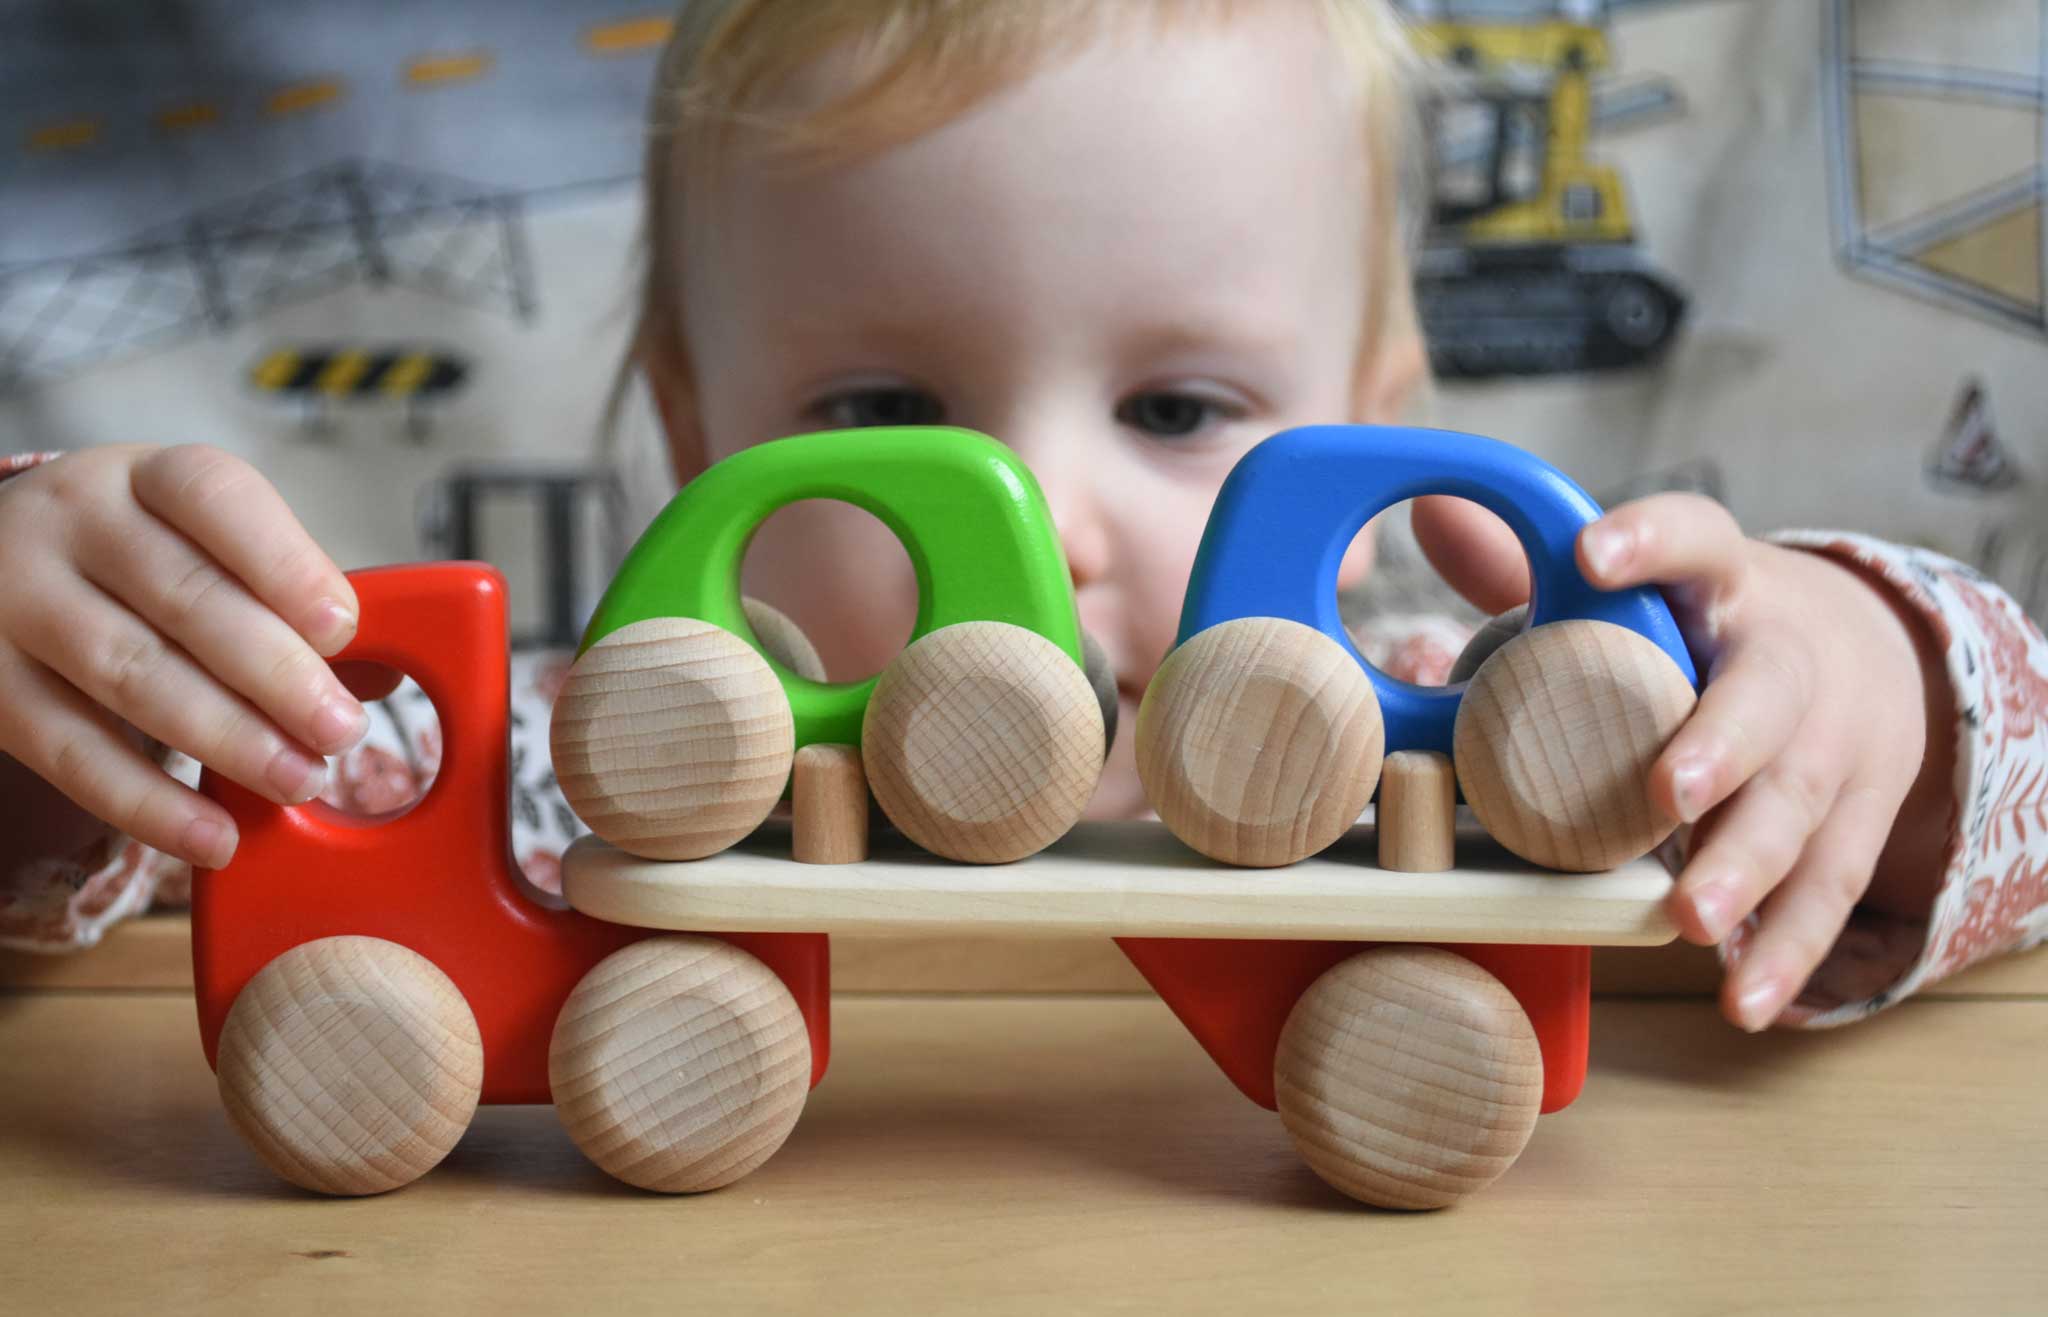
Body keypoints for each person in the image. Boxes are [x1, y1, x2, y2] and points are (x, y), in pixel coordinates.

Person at [1, 0, 2042, 1036]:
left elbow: (1980, 821)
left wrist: (1874, 684)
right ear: (697, 431)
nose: (1041, 528)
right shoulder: (560, 768)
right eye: (881, 416)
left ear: (1373, 431)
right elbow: (138, 848)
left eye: (1174, 409)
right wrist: (64, 702)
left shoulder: (1478, 741)